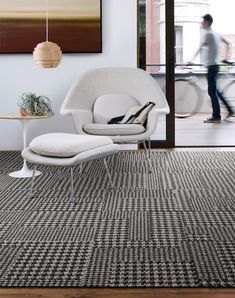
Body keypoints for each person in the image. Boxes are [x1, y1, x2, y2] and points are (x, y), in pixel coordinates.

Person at [189, 14, 235, 123]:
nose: (201, 23)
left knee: (212, 92)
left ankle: (216, 116)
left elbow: (200, 48)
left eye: (203, 21)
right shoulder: (216, 33)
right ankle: (230, 110)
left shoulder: (208, 34)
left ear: (208, 22)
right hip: (216, 66)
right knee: (215, 91)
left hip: (211, 67)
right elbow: (228, 43)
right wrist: (226, 57)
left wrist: (190, 60)